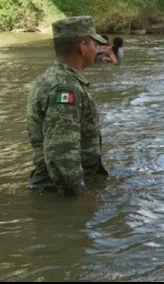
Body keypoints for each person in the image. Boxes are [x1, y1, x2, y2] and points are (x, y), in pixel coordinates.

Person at [26, 16, 109, 195]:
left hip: (55, 187)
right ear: (82, 46)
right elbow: (61, 153)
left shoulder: (54, 77)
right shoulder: (65, 88)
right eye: (95, 44)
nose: (97, 50)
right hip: (59, 191)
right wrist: (78, 196)